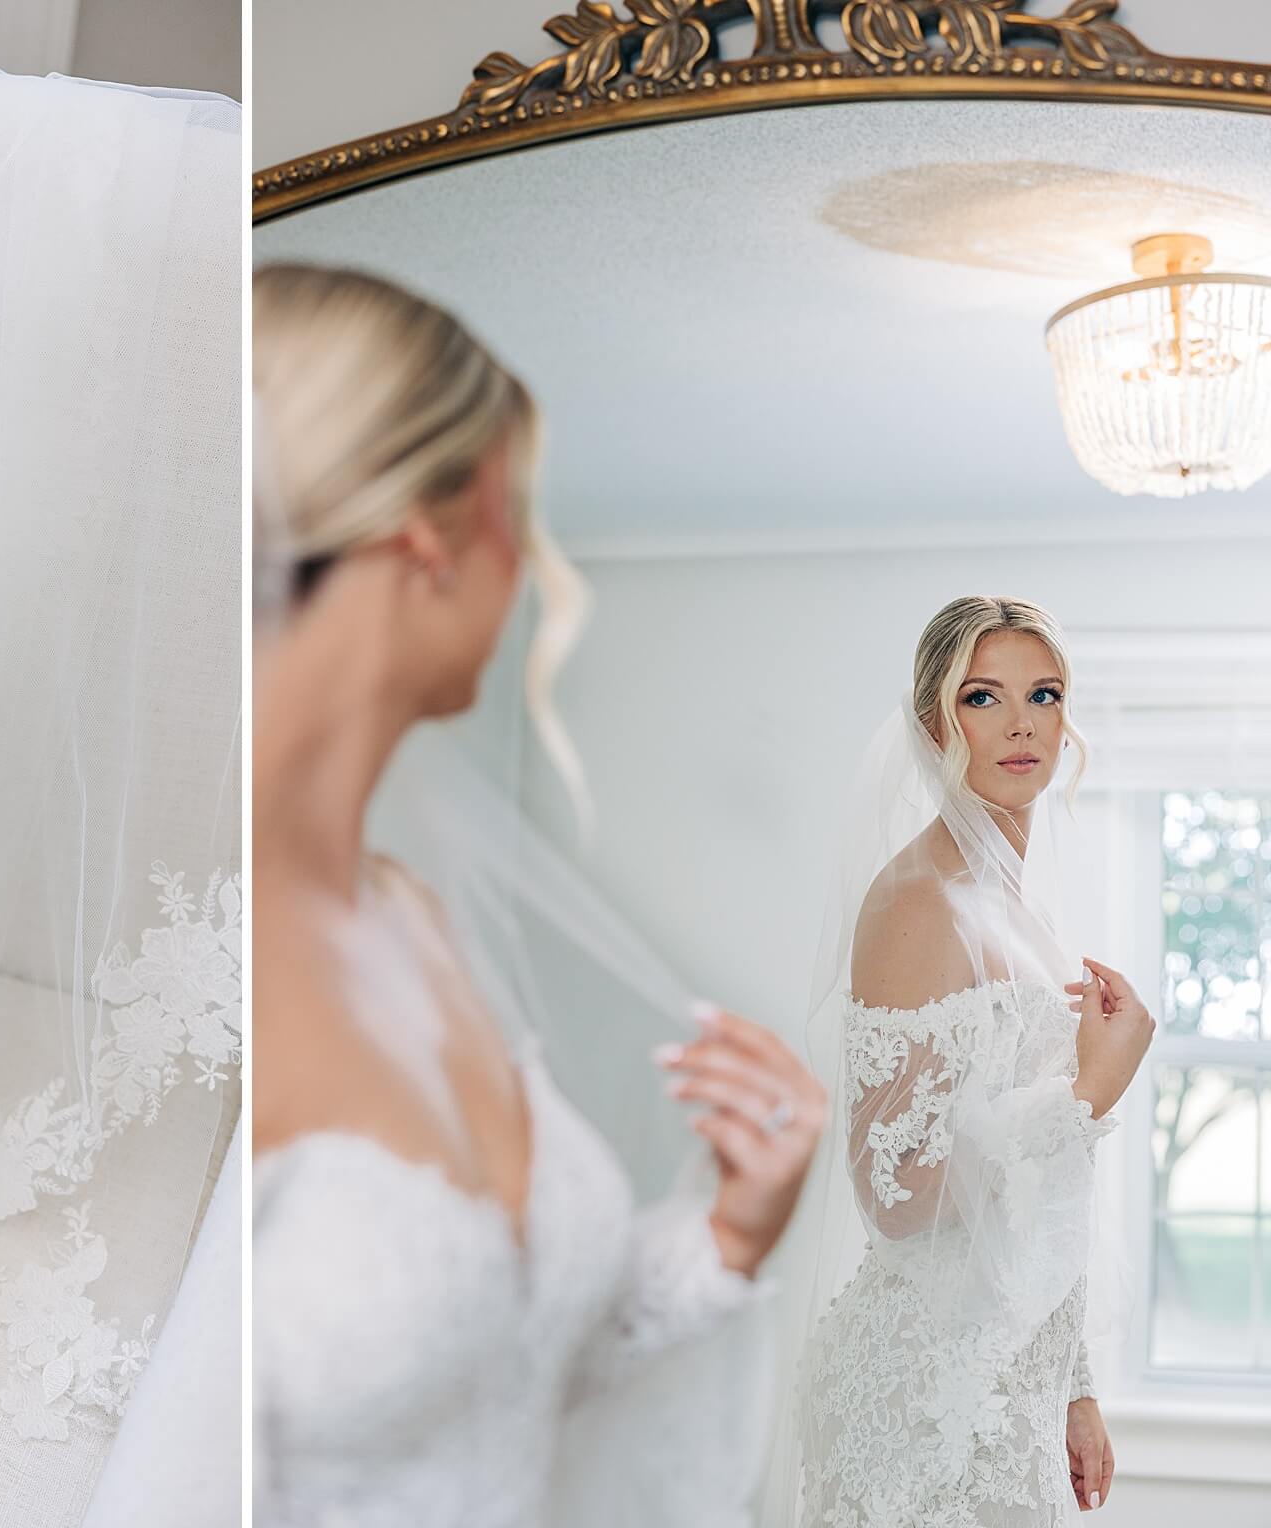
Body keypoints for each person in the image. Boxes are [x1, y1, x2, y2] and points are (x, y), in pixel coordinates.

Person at [252, 262, 825, 1527]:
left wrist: (729, 1227)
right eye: (519, 509)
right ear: (430, 535)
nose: (535, 564)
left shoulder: (402, 912)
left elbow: (491, 1367)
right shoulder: (212, 964)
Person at [789, 597, 1154, 1524]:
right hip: (929, 1390)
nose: (1022, 721)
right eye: (983, 697)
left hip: (1012, 1373)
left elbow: (1040, 1207)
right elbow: (893, 1192)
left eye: (1045, 693)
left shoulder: (1020, 911)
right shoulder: (920, 902)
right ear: (931, 724)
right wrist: (1087, 1094)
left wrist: (1073, 1387)